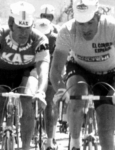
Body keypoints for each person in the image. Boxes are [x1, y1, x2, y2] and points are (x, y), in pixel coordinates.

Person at [50, 0, 115, 150]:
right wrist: (60, 89)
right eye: (80, 23)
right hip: (80, 69)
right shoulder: (67, 30)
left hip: (110, 73)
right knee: (76, 98)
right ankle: (75, 143)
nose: (85, 29)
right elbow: (56, 67)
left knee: (106, 135)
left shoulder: (111, 26)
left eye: (90, 22)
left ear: (98, 16)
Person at [0, 1, 50, 150]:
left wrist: (41, 92)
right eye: (19, 27)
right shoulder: (1, 35)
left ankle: (26, 147)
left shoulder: (40, 39)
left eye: (27, 27)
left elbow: (43, 69)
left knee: (28, 101)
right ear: (10, 25)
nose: (24, 32)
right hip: (1, 72)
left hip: (27, 72)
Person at [34, 18, 58, 150]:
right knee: (49, 106)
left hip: (48, 75)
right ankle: (49, 140)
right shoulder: (54, 37)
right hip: (35, 73)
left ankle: (49, 140)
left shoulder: (56, 38)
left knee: (50, 105)